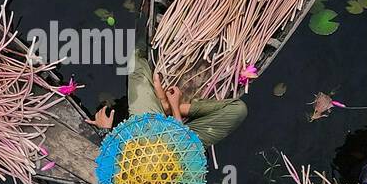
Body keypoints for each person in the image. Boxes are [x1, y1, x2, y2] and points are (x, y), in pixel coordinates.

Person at [87, 44, 247, 147]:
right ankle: (167, 108)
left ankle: (165, 107)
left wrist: (106, 130)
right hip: (172, 140)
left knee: (135, 62)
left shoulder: (128, 181)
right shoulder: (177, 181)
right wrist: (174, 106)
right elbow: (179, 141)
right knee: (238, 109)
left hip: (153, 134)